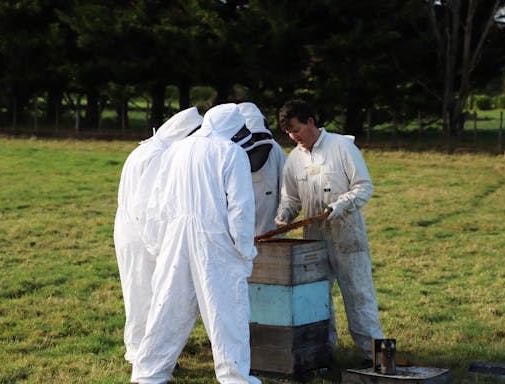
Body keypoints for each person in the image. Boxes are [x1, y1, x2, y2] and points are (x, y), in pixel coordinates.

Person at [132, 103, 261, 384]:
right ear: (233, 128)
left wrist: (159, 243)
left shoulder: (176, 149)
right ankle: (234, 377)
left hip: (173, 238)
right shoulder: (231, 152)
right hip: (215, 241)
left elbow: (156, 202)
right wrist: (244, 248)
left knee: (167, 306)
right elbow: (240, 207)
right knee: (227, 309)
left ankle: (149, 373)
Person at [274, 99, 383, 362]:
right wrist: (283, 216)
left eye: (296, 130)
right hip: (312, 239)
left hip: (347, 234)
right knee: (316, 296)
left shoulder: (342, 146)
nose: (293, 137)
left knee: (359, 294)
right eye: (288, 133)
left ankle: (375, 356)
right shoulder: (294, 160)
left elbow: (363, 187)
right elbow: (291, 198)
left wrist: (342, 205)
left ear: (310, 122)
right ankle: (323, 352)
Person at [114, 107, 203, 364]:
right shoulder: (157, 155)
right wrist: (159, 245)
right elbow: (148, 207)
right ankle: (142, 352)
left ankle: (150, 347)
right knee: (143, 293)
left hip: (132, 231)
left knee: (141, 291)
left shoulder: (147, 149)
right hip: (142, 236)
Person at [237, 102, 286, 236]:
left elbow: (285, 185)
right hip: (239, 230)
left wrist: (284, 214)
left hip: (270, 229)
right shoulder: (229, 151)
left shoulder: (275, 149)